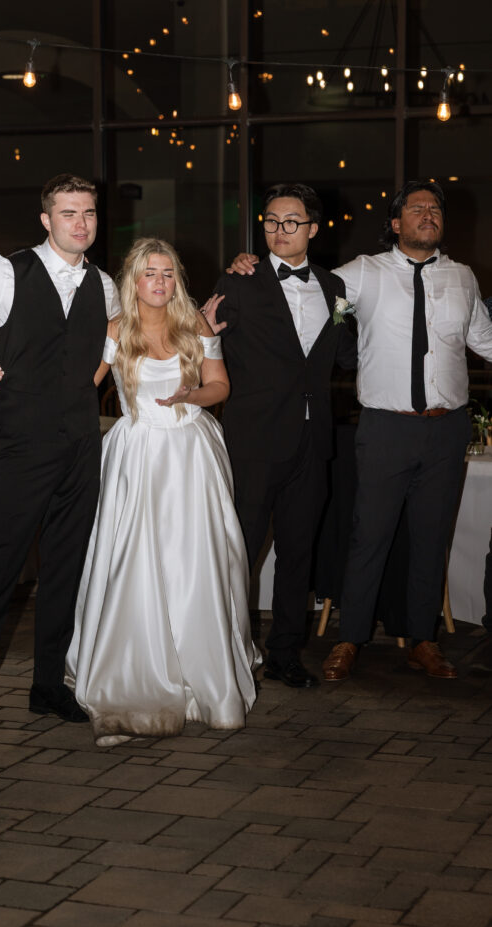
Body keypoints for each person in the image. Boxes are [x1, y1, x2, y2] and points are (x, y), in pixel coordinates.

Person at [231, 179, 492, 679]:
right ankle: (350, 638)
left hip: (447, 429)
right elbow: (305, 289)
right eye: (416, 208)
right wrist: (249, 266)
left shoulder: (463, 277)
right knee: (367, 536)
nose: (428, 214)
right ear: (395, 223)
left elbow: (483, 337)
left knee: (430, 538)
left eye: (435, 208)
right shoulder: (360, 275)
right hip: (384, 429)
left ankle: (422, 639)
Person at [57, 237, 257, 746]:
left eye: (168, 273)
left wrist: (194, 395)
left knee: (197, 564)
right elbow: (83, 384)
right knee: (133, 561)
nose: (160, 282)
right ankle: (131, 678)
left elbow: (221, 386)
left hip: (191, 453)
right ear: (133, 279)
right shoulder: (115, 329)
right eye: (150, 273)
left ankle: (201, 677)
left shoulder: (196, 324)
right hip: (137, 454)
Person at [0, 174, 120, 741]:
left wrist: (82, 389)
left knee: (66, 570)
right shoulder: (4, 271)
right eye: (69, 213)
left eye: (88, 213)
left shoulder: (107, 284)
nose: (80, 223)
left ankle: (48, 687)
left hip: (80, 443)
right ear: (46, 219)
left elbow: (108, 353)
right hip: (21, 443)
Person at [204, 183, 356, 690]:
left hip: (314, 444)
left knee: (299, 553)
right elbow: (199, 341)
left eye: (291, 221)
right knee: (239, 551)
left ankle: (286, 653)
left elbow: (347, 353)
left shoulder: (335, 288)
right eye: (271, 220)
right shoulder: (239, 279)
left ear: (313, 228)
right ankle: (222, 651)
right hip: (252, 441)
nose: (279, 230)